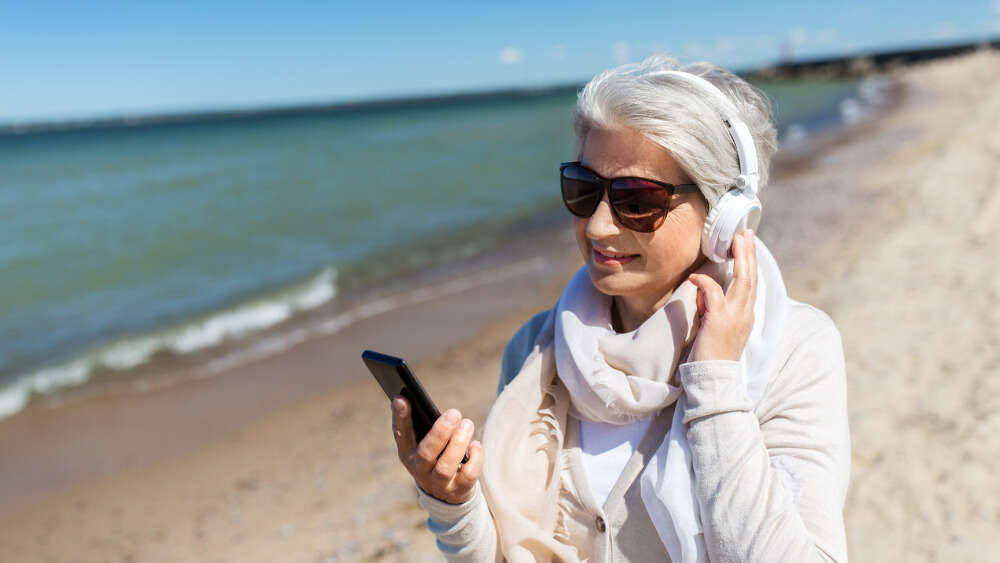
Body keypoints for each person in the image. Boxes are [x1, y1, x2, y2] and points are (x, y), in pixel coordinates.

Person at [390, 53, 850, 562]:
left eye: (637, 200)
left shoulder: (792, 348)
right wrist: (453, 503)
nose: (597, 226)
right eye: (583, 190)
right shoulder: (536, 348)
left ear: (725, 215)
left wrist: (715, 381)